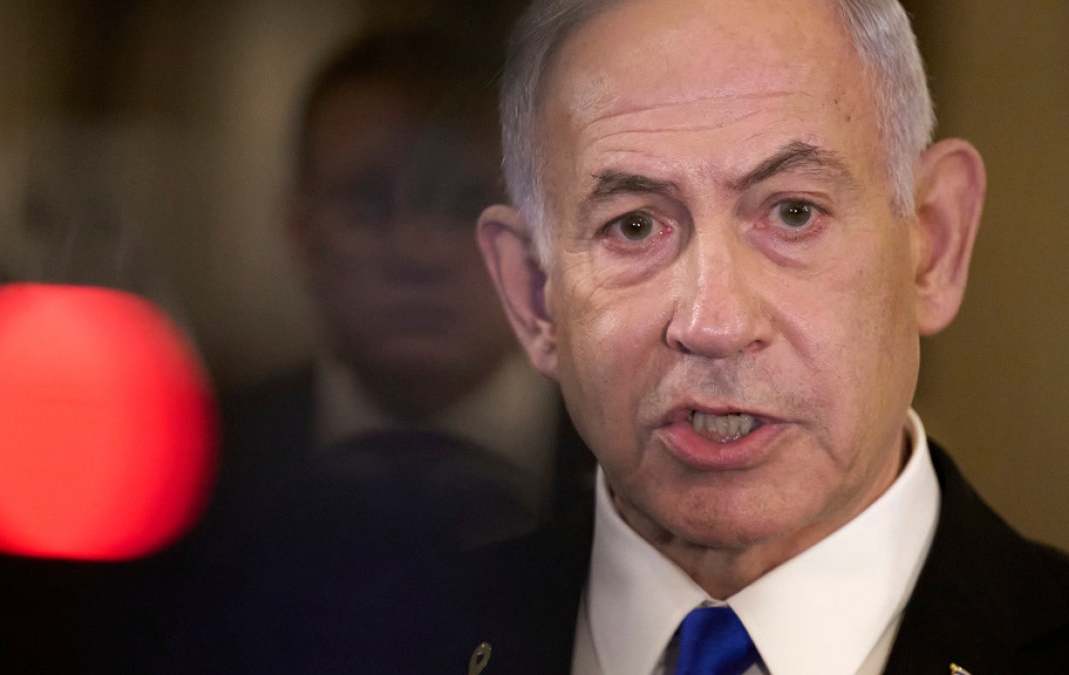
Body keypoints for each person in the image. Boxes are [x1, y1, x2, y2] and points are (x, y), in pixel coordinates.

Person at [471, 0, 1069, 672]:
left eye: (793, 213)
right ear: (534, 296)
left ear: (933, 243)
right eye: (634, 226)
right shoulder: (392, 639)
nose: (715, 325)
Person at [221, 28, 594, 543]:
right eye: (368, 204)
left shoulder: (641, 470)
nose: (420, 253)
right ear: (302, 234)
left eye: (470, 204)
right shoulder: (194, 467)